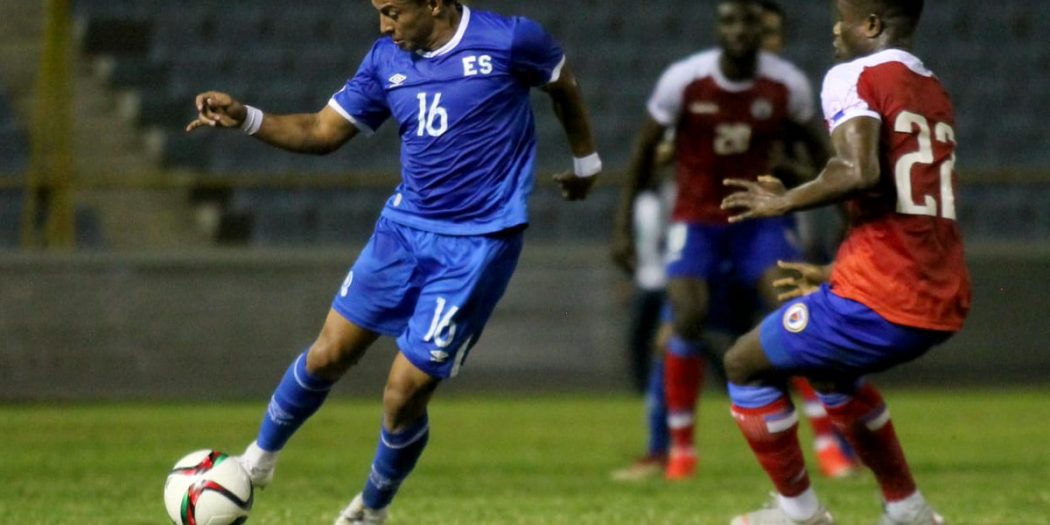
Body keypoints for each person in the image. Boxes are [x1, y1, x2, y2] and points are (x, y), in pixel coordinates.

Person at [185, 1, 601, 523]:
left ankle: (371, 510)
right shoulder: (386, 59)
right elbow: (320, 131)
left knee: (403, 394)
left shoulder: (512, 40)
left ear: (433, 4)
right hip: (403, 232)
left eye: (392, 11)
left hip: (477, 245)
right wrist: (246, 117)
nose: (384, 25)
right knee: (327, 354)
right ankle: (255, 462)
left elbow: (562, 83)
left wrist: (586, 160)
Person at [719, 0, 970, 523]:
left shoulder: (854, 76)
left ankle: (799, 513)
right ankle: (907, 510)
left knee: (744, 363)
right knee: (832, 375)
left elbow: (859, 171)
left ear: (872, 25)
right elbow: (911, 206)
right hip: (937, 291)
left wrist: (784, 201)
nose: (835, 29)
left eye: (843, 17)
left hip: (885, 298)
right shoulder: (932, 89)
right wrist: (842, 270)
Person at [612, 0, 829, 481]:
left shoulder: (786, 88)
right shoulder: (687, 81)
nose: (749, 35)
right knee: (680, 322)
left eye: (763, 29)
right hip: (699, 223)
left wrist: (791, 177)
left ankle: (834, 445)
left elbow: (820, 162)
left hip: (762, 225)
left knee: (798, 315)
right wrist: (624, 222)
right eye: (735, 22)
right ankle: (667, 450)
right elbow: (650, 150)